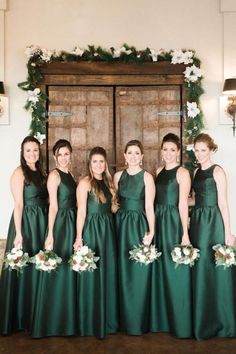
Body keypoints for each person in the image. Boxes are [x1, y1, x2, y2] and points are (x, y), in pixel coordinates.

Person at [189, 133, 236, 340]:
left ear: (211, 150)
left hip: (213, 221)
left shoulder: (217, 171)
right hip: (198, 222)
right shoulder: (195, 172)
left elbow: (223, 204)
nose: (199, 154)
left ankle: (223, 321)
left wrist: (228, 233)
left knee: (217, 268)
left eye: (203, 150)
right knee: (201, 268)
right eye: (196, 150)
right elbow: (192, 199)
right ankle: (203, 320)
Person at [0, 136, 48, 335]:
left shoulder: (41, 172)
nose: (32, 154)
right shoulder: (19, 173)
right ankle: (20, 317)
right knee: (24, 266)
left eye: (35, 150)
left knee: (40, 264)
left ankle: (37, 314)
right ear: (22, 152)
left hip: (41, 221)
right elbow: (18, 205)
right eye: (28, 150)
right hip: (26, 223)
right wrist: (19, 233)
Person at [31, 139, 77, 338]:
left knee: (69, 266)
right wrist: (50, 233)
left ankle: (67, 319)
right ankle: (51, 321)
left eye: (67, 154)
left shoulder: (71, 174)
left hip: (72, 220)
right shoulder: (54, 176)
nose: (64, 158)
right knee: (58, 268)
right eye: (60, 155)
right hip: (60, 224)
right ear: (54, 157)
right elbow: (53, 207)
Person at [150, 133, 192, 338]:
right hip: (158, 219)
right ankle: (162, 320)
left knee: (175, 269)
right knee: (160, 269)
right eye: (165, 149)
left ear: (178, 152)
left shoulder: (182, 172)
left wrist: (185, 233)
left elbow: (183, 203)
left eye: (172, 150)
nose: (168, 153)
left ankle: (181, 322)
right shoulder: (158, 171)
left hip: (173, 222)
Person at [74, 146, 118, 339]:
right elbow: (81, 211)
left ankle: (108, 320)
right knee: (91, 273)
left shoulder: (109, 183)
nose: (98, 165)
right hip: (92, 229)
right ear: (90, 164)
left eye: (101, 161)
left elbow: (113, 209)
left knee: (107, 272)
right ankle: (89, 320)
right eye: (95, 161)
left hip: (108, 230)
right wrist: (78, 237)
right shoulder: (85, 183)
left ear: (105, 163)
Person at [113, 139, 155, 335]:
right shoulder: (117, 176)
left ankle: (138, 321)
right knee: (121, 270)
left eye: (137, 153)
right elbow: (114, 204)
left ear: (142, 156)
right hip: (120, 225)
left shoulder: (147, 177)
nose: (133, 156)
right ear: (124, 155)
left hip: (138, 224)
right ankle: (122, 320)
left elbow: (149, 207)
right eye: (130, 152)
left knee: (138, 271)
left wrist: (151, 231)